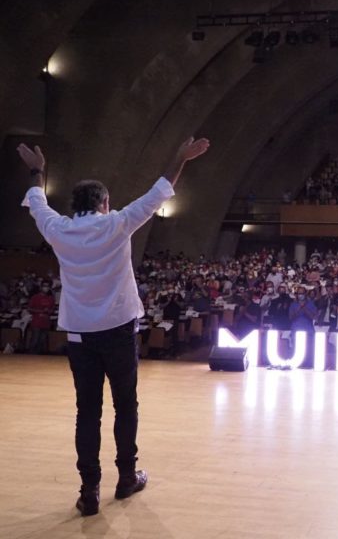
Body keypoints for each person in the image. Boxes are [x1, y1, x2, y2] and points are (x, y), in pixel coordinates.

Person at [18, 137, 210, 516]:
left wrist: (37, 170)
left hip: (79, 334)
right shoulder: (119, 224)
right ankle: (126, 478)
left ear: (76, 206)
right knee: (126, 405)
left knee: (87, 411)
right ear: (104, 203)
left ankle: (89, 490)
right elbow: (158, 192)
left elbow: (36, 202)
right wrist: (179, 157)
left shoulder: (57, 229)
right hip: (119, 330)